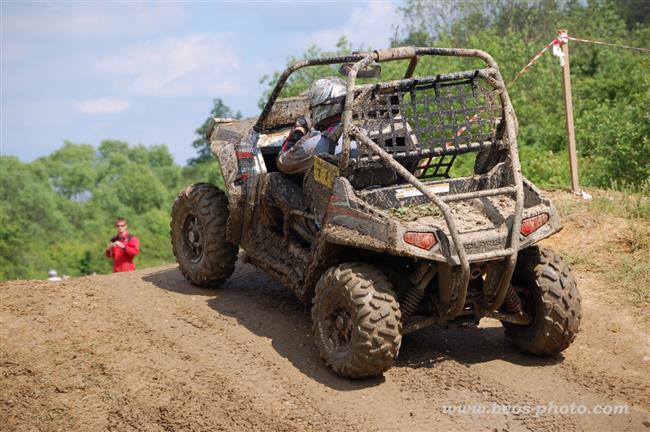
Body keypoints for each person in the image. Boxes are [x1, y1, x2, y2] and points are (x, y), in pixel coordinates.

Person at [276, 76, 348, 175]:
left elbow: (283, 162)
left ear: (323, 107)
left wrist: (298, 132)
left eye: (312, 108)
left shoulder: (317, 143)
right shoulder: (365, 132)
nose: (312, 112)